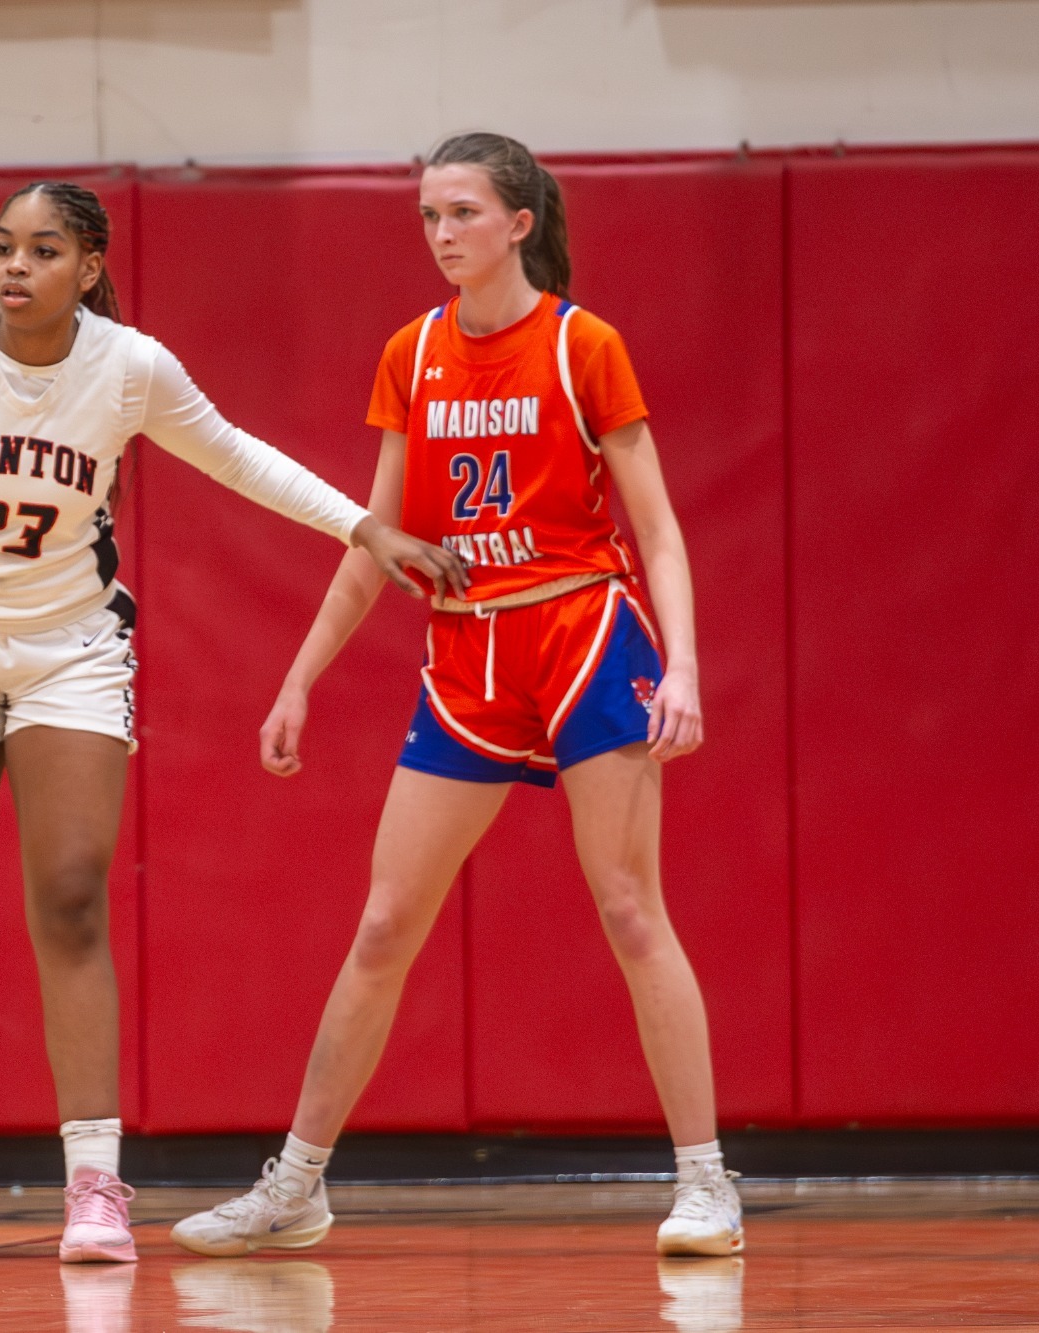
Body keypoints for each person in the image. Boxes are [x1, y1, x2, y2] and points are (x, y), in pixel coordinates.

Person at [0, 180, 466, 1265]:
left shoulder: (130, 367)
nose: (14, 266)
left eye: (42, 249)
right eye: (2, 246)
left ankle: (94, 1184)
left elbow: (236, 454)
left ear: (89, 266)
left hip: (70, 649)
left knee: (69, 894)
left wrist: (364, 528)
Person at [171, 132, 743, 1260]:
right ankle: (295, 1185)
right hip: (467, 651)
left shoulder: (582, 344)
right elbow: (376, 540)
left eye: (463, 212)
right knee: (385, 922)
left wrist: (681, 664)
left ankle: (705, 1182)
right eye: (429, 215)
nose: (441, 233)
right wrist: (297, 678)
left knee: (630, 906)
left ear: (519, 223)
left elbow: (659, 530)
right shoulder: (413, 352)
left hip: (584, 636)